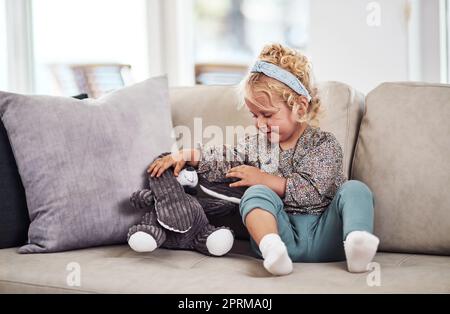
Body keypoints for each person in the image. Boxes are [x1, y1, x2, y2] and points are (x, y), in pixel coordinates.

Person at [147, 43, 379, 276]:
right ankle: (272, 249)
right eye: (254, 115)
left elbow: (311, 192)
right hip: (282, 231)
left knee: (355, 189)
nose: (259, 123)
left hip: (328, 236)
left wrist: (263, 178)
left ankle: (356, 243)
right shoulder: (256, 144)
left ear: (299, 107)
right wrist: (189, 155)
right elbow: (226, 159)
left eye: (267, 115)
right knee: (255, 194)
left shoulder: (324, 144)